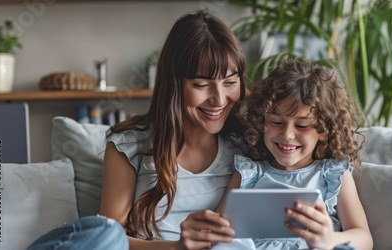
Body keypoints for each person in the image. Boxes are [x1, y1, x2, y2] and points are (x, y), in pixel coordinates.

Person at [28, 9, 247, 250]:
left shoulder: (247, 145)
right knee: (102, 231)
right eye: (201, 84)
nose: (219, 99)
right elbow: (113, 239)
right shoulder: (130, 143)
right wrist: (177, 247)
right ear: (174, 84)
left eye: (230, 82)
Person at [215, 60, 373, 250]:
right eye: (276, 121)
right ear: (261, 121)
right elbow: (217, 232)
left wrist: (330, 240)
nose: (287, 135)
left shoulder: (333, 175)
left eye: (302, 125)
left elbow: (364, 238)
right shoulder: (248, 174)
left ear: (324, 131)